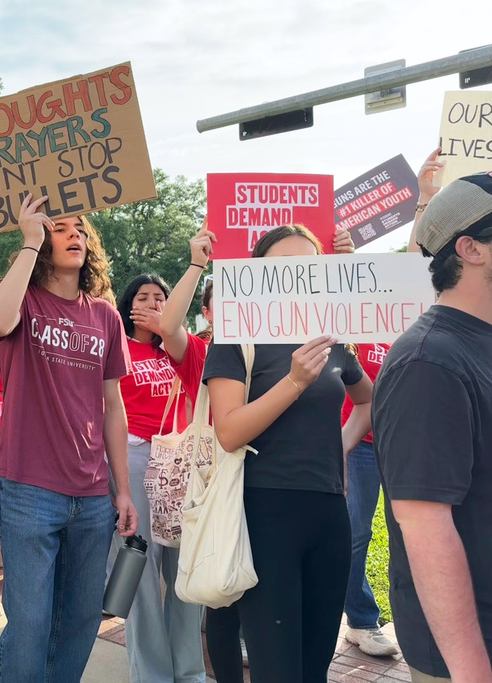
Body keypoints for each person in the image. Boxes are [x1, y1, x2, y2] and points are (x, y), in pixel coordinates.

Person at [202, 224, 373, 683]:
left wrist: (337, 446)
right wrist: (295, 381)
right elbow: (229, 431)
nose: (299, 275)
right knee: (278, 668)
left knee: (315, 665)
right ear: (258, 275)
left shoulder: (332, 341)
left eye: (309, 266)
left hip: (329, 513)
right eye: (284, 266)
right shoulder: (235, 337)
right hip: (264, 512)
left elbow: (368, 402)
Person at [0, 195, 137, 683]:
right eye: (62, 228)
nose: (76, 236)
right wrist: (30, 240)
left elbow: (113, 406)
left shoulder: (107, 317)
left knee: (81, 618)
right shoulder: (22, 299)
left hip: (92, 495)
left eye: (81, 229)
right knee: (28, 623)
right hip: (29, 489)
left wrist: (123, 488)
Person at [373, 172, 492, 683]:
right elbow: (424, 526)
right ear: (471, 248)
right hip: (470, 651)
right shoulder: (429, 361)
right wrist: (470, 671)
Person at [115, 263, 211, 683]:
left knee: (185, 573)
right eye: (143, 299)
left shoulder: (183, 347)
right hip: (135, 460)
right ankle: (151, 674)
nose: (153, 305)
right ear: (127, 307)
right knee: (142, 575)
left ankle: (189, 671)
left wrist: (195, 263)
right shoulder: (115, 346)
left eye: (161, 299)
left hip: (180, 464)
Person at [340, 341, 398, 657]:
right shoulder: (351, 336)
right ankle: (361, 622)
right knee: (357, 535)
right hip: (359, 445)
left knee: (409, 533)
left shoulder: (401, 331)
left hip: (399, 442)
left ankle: (419, 621)